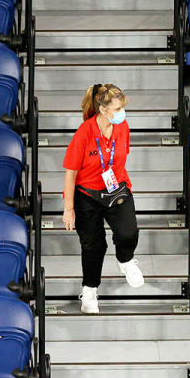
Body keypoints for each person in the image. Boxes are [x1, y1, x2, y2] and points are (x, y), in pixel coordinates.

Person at [62, 83, 143, 314]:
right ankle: (89, 290)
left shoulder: (122, 126)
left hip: (116, 187)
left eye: (122, 108)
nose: (121, 113)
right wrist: (69, 208)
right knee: (93, 245)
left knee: (129, 232)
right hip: (87, 194)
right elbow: (71, 172)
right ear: (103, 109)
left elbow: (120, 156)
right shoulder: (84, 133)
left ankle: (125, 261)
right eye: (117, 109)